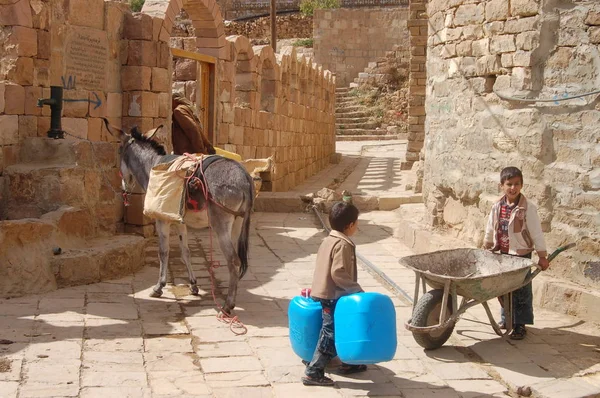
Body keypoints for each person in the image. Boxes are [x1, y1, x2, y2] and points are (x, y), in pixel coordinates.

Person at [302, 201, 367, 387]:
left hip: (322, 291)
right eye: (357, 222)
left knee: (342, 327)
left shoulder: (328, 239)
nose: (357, 226)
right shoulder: (343, 245)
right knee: (330, 333)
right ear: (350, 225)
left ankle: (348, 362)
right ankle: (313, 372)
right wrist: (355, 289)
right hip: (332, 294)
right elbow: (337, 272)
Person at [483, 166, 549, 340]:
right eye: (509, 184)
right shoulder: (497, 206)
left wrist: (542, 255)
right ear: (501, 186)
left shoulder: (528, 208)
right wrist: (488, 244)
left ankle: (520, 325)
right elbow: (490, 227)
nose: (513, 188)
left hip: (520, 254)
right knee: (503, 287)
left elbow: (536, 232)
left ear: (522, 185)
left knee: (520, 290)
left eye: (517, 184)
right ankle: (506, 319)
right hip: (502, 253)